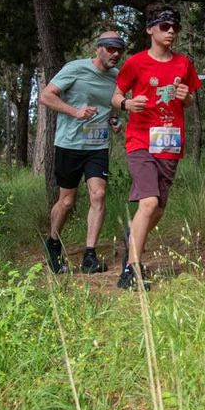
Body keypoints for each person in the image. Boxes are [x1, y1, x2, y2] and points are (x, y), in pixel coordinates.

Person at [110, 3, 201, 291]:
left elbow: (189, 100)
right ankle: (131, 270)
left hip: (169, 143)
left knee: (157, 210)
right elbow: (115, 96)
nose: (171, 31)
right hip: (140, 140)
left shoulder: (183, 64)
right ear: (150, 29)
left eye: (175, 27)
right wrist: (127, 104)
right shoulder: (136, 63)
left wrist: (186, 97)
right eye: (164, 26)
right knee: (148, 203)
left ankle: (132, 237)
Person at [38, 31, 126, 274]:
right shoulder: (75, 68)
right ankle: (53, 243)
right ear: (98, 48)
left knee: (99, 195)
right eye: (110, 48)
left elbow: (111, 108)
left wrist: (114, 121)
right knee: (67, 201)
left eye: (119, 50)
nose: (115, 54)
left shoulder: (117, 77)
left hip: (97, 146)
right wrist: (75, 112)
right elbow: (45, 96)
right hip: (69, 144)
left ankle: (89, 256)